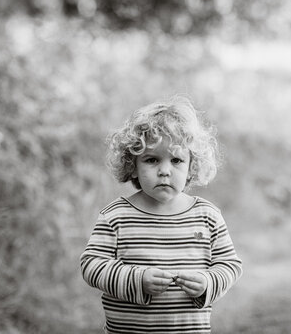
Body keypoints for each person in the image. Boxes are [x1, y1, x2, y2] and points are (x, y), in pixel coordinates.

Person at [80, 96, 243, 334]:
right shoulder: (116, 216)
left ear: (192, 166)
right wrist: (138, 279)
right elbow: (91, 265)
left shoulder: (207, 216)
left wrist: (208, 282)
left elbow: (229, 265)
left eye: (176, 160)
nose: (165, 171)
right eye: (152, 159)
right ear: (133, 164)